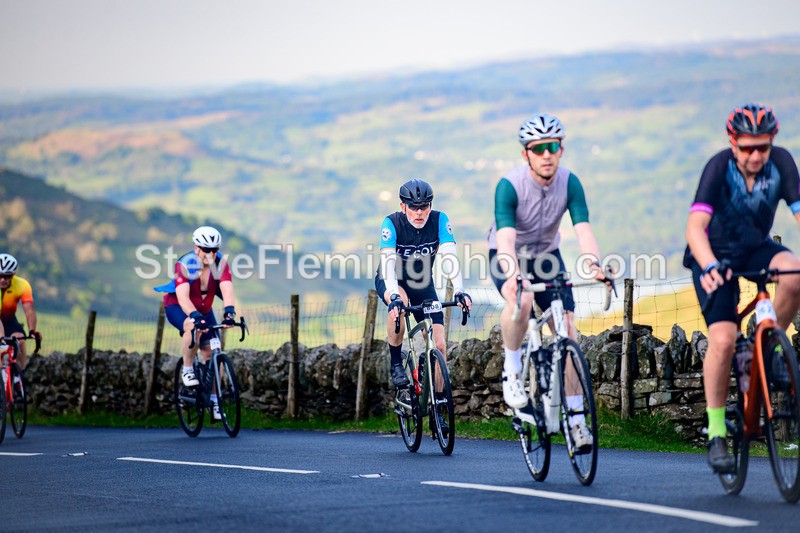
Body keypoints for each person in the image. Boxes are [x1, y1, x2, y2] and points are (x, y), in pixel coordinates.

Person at [684, 103, 800, 473]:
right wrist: (710, 265)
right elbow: (695, 227)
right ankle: (717, 432)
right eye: (747, 147)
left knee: (795, 275)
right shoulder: (719, 167)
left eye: (762, 147)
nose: (755, 155)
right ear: (733, 144)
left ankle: (766, 351)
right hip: (714, 258)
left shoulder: (781, 163)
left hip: (755, 249)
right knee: (721, 340)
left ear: (772, 143)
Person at [488, 113, 608, 452]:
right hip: (509, 254)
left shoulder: (570, 183)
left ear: (561, 149)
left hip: (547, 256)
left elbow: (583, 230)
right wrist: (512, 276)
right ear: (526, 154)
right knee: (522, 302)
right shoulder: (509, 186)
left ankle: (576, 423)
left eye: (551, 147)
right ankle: (512, 373)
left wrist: (595, 264)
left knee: (567, 333)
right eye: (537, 148)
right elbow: (507, 241)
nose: (545, 154)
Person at [376, 179, 472, 434]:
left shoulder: (440, 220)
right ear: (403, 206)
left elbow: (450, 256)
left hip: (422, 282)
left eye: (424, 206)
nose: (419, 212)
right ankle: (397, 363)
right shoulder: (392, 223)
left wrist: (460, 289)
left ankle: (438, 406)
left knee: (439, 344)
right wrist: (393, 296)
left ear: (430, 205)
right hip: (392, 280)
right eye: (413, 207)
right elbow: (387, 262)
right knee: (400, 305)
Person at [154, 226, 238, 420]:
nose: (211, 254)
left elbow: (227, 289)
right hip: (178, 306)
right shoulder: (186, 264)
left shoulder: (220, 264)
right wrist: (193, 315)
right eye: (206, 250)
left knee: (212, 353)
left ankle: (215, 402)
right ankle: (188, 368)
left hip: (204, 309)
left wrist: (229, 312)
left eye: (215, 250)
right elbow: (182, 296)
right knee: (192, 327)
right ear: (196, 248)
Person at [0, 253, 41, 371]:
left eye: (6, 276)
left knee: (20, 340)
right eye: (0, 276)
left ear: (13, 275)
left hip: (9, 319)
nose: (2, 280)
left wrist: (32, 330)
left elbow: (29, 310)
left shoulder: (22, 285)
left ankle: (19, 377)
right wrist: (2, 337)